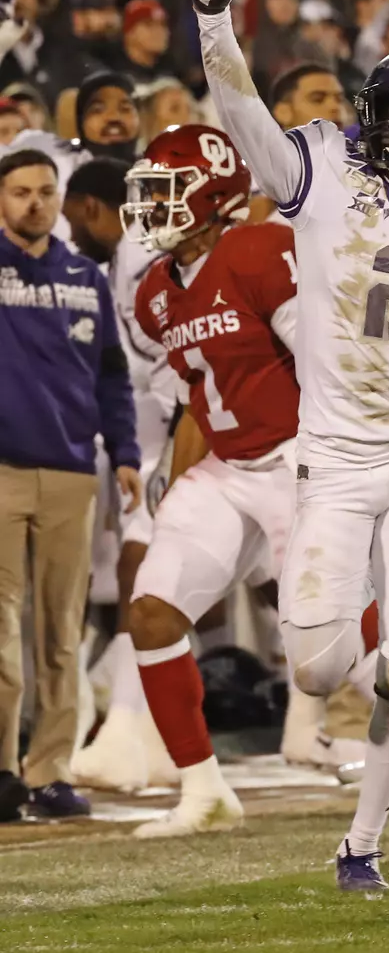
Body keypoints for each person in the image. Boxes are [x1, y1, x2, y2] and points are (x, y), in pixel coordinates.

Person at [179, 0, 389, 895]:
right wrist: (215, 22)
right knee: (314, 672)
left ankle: (363, 841)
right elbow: (242, 114)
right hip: (339, 456)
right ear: (372, 113)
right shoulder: (324, 171)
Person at [122, 124, 299, 838]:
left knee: (332, 651)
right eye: (149, 194)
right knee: (152, 613)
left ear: (216, 193)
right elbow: (200, 392)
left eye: (167, 192)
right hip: (228, 467)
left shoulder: (259, 249)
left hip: (299, 458)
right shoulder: (156, 296)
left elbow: (324, 363)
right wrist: (179, 470)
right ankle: (202, 788)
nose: (153, 208)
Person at [0, 148, 141, 822]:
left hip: (70, 471)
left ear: (60, 199)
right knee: (0, 629)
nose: (34, 203)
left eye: (45, 192)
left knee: (59, 631)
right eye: (21, 191)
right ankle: (3, 769)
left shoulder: (87, 277)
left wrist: (126, 452)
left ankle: (49, 771)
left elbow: (113, 375)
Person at [62, 157, 180, 794]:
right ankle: (127, 712)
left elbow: (172, 358)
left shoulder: (137, 260)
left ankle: (125, 708)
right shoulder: (128, 258)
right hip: (155, 437)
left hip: (183, 433)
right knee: (147, 574)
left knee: (153, 577)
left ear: (87, 207)